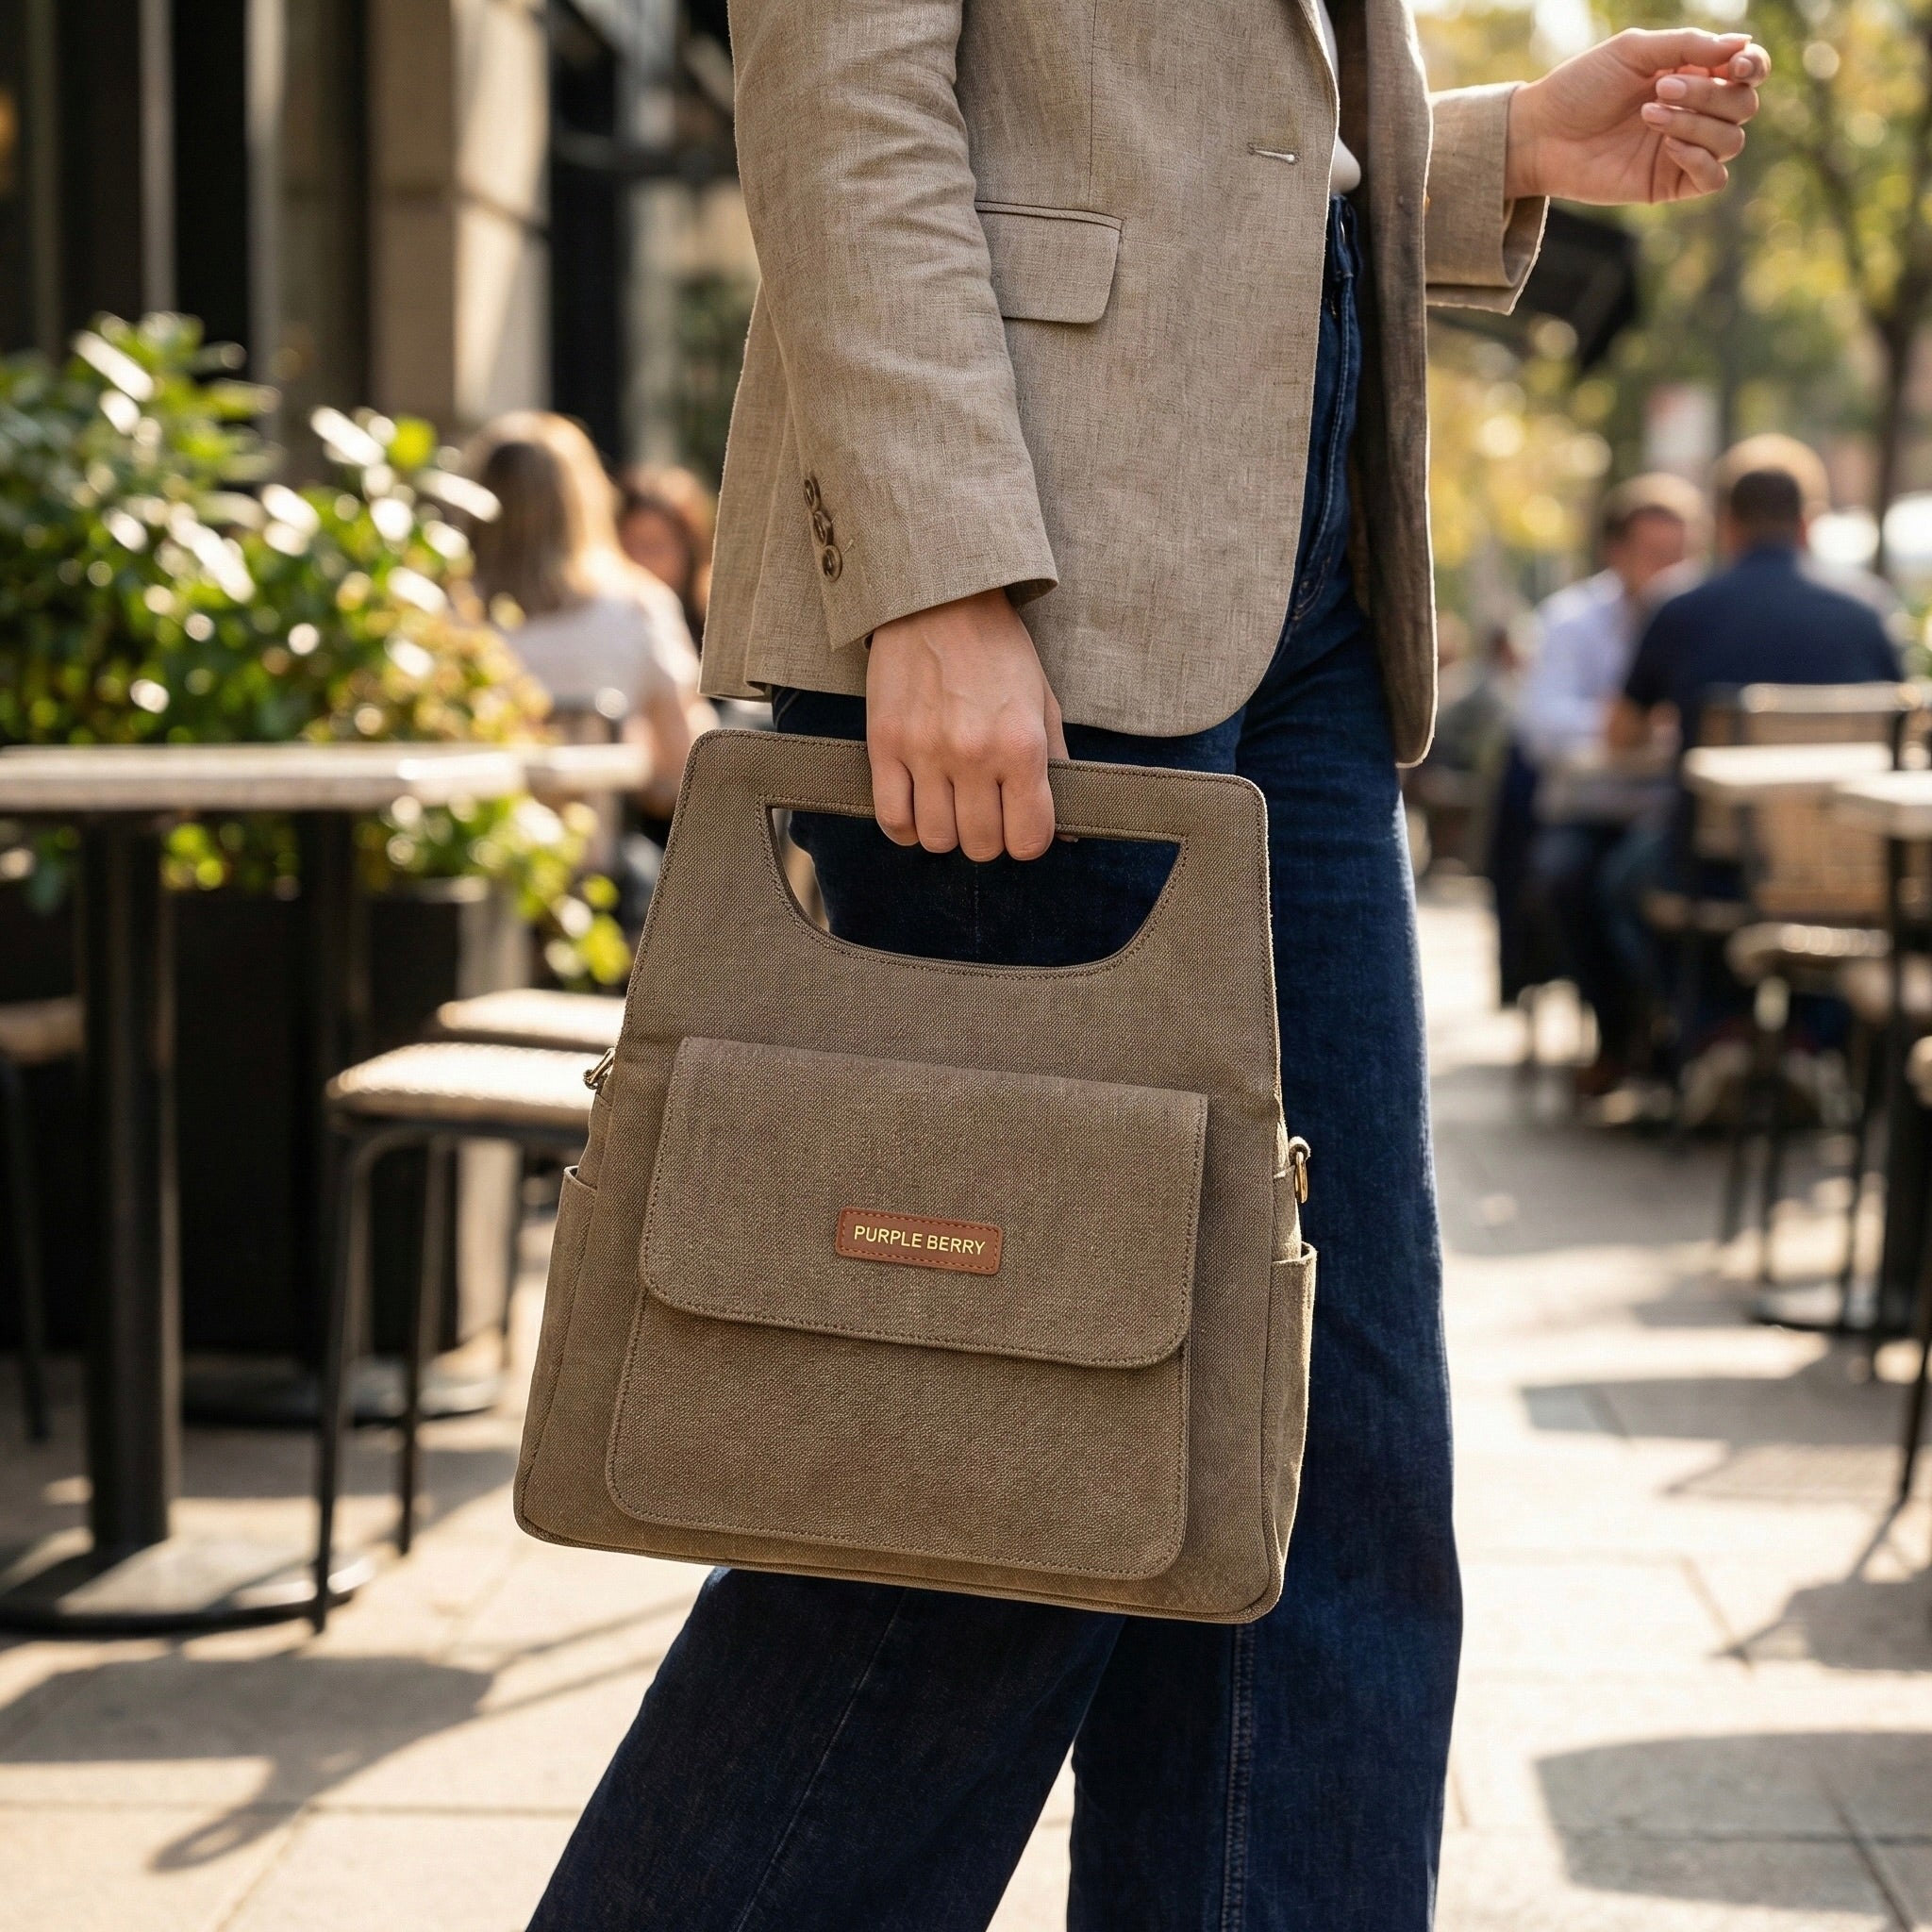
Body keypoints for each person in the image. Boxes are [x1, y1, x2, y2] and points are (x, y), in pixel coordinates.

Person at [529, 9, 1768, 1926]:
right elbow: (846, 77)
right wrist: (933, 570)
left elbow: (1213, 125)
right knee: (997, 1468)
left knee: (1315, 1483)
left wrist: (1495, 143)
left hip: (1307, 615)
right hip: (1039, 602)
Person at [1596, 437, 1901, 1063]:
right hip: (1843, 867)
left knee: (1618, 883)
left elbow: (1619, 737)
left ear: (1725, 524)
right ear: (1808, 524)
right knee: (1836, 907)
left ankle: (1714, 1033)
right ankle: (1811, 1043)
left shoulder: (1680, 610)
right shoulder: (1869, 614)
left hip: (1710, 862)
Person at [1517, 474, 1704, 1089]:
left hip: (1668, 813)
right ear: (1615, 550)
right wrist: (1621, 730)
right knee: (1570, 878)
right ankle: (1617, 1032)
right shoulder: (1571, 622)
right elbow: (1542, 725)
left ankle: (1683, 1037)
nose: (1667, 571)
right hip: (1591, 810)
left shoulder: (1697, 617)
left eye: (1679, 554)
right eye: (1654, 554)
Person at [465, 413, 712, 826]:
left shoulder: (442, 614)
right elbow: (690, 767)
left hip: (468, 858)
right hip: (598, 866)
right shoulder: (637, 607)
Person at [616, 463, 716, 642]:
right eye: (627, 547)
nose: (638, 561)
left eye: (653, 547)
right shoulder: (607, 624)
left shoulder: (714, 618)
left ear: (688, 550)